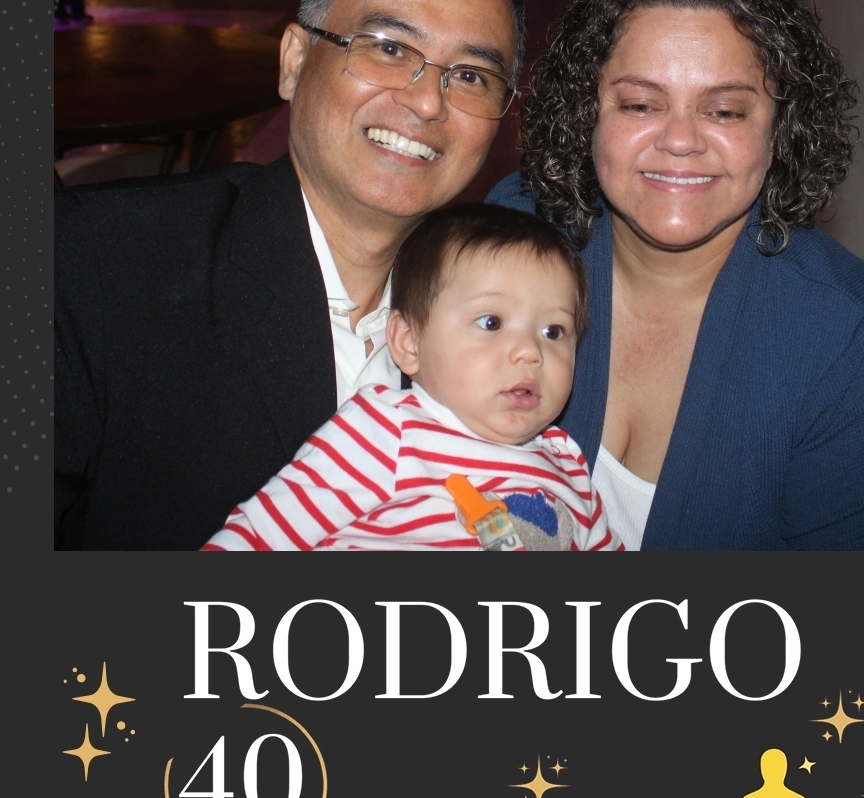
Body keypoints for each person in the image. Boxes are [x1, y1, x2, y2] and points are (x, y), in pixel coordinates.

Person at [55, 0, 525, 550]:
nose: (427, 102)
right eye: (389, 48)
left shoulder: (510, 317)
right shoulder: (92, 266)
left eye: (470, 75)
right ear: (295, 61)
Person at [489, 0, 864, 550]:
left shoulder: (845, 338)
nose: (681, 141)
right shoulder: (511, 237)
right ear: (586, 114)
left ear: (780, 131)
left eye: (725, 111)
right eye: (640, 104)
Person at [203, 205, 620, 552]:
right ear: (409, 343)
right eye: (491, 322)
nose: (530, 351)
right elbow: (260, 535)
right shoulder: (386, 432)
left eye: (553, 331)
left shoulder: (569, 467)